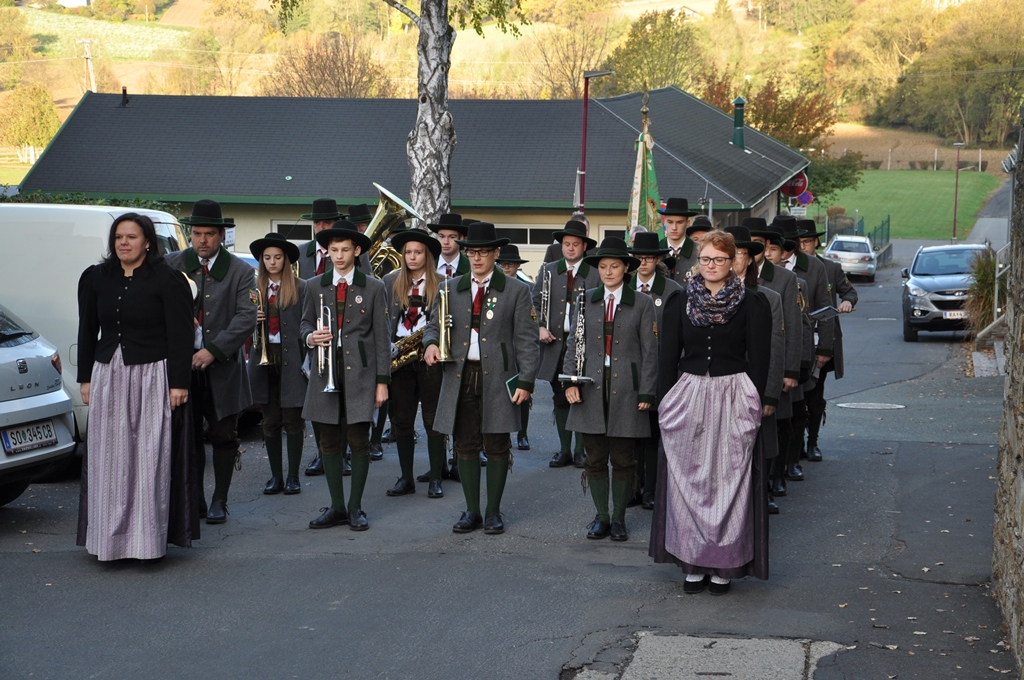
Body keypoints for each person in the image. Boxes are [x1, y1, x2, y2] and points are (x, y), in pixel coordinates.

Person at [650, 231, 772, 595]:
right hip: (689, 394)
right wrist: (665, 401)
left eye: (719, 259)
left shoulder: (752, 303)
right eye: (705, 259)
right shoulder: (679, 301)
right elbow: (667, 356)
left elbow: (760, 358)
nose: (712, 265)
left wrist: (754, 400)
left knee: (729, 480)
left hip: (733, 393)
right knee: (688, 478)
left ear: (733, 261)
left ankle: (723, 566)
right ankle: (693, 562)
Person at [76, 213, 195, 561]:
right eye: (118, 237)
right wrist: (86, 378)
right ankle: (108, 540)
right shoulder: (96, 278)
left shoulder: (168, 280)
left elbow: (181, 335)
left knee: (147, 457)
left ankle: (145, 542)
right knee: (108, 458)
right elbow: (87, 330)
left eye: (131, 237)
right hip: (108, 375)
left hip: (151, 375)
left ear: (147, 242)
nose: (124, 243)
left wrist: (179, 383)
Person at [424, 222, 538, 535]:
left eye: (483, 252)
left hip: (499, 376)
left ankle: (493, 512)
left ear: (496, 253)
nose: (476, 258)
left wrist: (526, 381)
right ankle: (471, 510)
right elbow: (433, 326)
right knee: (465, 444)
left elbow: (527, 340)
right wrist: (430, 343)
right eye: (472, 252)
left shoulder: (517, 291)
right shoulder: (449, 288)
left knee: (498, 443)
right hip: (460, 375)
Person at [167, 200, 257, 525]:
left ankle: (220, 499)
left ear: (221, 235)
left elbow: (247, 317)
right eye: (197, 233)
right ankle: (196, 499)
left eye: (209, 234)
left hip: (224, 368)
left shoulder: (241, 271)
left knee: (223, 434)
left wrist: (214, 350)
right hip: (183, 368)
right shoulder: (172, 264)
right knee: (188, 437)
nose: (202, 240)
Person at [563, 237, 658, 542]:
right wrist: (570, 381)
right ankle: (601, 516)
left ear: (626, 268)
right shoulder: (586, 300)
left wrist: (647, 391)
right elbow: (574, 343)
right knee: (594, 456)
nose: (607, 271)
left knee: (623, 457)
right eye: (603, 266)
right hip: (590, 387)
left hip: (627, 388)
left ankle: (619, 519)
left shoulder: (641, 303)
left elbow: (650, 351)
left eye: (614, 266)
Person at [301, 221, 391, 531]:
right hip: (324, 369)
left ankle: (355, 507)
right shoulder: (313, 285)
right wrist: (310, 337)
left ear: (357, 251)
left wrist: (382, 382)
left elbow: (382, 339)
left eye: (345, 250)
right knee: (328, 440)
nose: (339, 256)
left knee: (358, 439)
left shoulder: (374, 287)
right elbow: (304, 324)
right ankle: (337, 506)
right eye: (333, 250)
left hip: (361, 373)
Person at [382, 228, 447, 499]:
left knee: (433, 418)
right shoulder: (390, 280)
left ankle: (436, 477)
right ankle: (406, 478)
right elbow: (384, 318)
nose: (412, 256)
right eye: (408, 252)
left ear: (427, 255)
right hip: (399, 355)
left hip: (430, 356)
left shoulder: (443, 283)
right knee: (402, 419)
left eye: (418, 252)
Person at [725, 225, 785, 515]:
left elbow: (775, 348)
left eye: (739, 253)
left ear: (749, 259)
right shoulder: (703, 296)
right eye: (728, 253)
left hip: (753, 386)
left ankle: (761, 494)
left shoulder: (767, 298)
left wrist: (770, 394)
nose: (733, 259)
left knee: (757, 446)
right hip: (719, 388)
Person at [533, 220, 599, 468]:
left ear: (584, 246)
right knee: (560, 397)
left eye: (575, 244)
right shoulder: (549, 270)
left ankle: (581, 450)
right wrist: (540, 326)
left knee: (582, 395)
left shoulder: (594, 272)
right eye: (566, 244)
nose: (570, 248)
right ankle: (564, 449)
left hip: (585, 346)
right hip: (555, 344)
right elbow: (534, 303)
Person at [747, 218, 802, 504]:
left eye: (757, 244)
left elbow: (791, 326)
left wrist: (790, 370)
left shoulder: (784, 279)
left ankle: (773, 479)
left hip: (773, 364)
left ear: (766, 246)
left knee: (775, 423)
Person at [248, 233, 308, 496]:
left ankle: (293, 476)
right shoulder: (253, 289)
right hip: (264, 360)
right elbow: (240, 325)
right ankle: (276, 476)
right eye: (267, 257)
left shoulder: (301, 287)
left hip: (291, 360)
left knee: (293, 419)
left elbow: (307, 324)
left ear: (286, 260)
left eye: (277, 257)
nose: (272, 262)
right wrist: (251, 319)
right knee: (270, 420)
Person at [774, 216, 833, 482]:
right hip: (778, 345)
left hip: (806, 344)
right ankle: (782, 460)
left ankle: (797, 456)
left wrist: (824, 348)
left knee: (803, 403)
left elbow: (825, 309)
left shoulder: (814, 267)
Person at [628, 232, 682, 510]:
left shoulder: (672, 290)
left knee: (651, 433)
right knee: (629, 433)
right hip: (627, 370)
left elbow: (677, 335)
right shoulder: (625, 285)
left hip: (658, 369)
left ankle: (651, 488)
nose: (643, 263)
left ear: (658, 259)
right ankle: (631, 487)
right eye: (639, 258)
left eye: (649, 258)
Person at [796, 219, 857, 462]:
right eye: (798, 242)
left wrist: (847, 301)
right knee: (796, 396)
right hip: (797, 339)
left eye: (807, 242)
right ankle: (796, 443)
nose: (803, 246)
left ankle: (813, 441)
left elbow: (849, 291)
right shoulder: (788, 268)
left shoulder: (830, 268)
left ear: (816, 242)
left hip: (822, 337)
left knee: (815, 393)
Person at [297, 199, 344, 477]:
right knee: (317, 398)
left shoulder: (350, 252)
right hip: (312, 332)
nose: (321, 227)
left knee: (344, 397)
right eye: (318, 223)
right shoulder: (301, 253)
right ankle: (322, 452)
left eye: (327, 222)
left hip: (342, 334)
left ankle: (342, 453)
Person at [497, 244, 534, 451]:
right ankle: (502, 434)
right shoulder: (494, 285)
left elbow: (531, 319)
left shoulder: (526, 287)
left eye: (510, 264)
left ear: (518, 265)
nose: (506, 268)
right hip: (499, 344)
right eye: (503, 264)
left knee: (522, 389)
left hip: (518, 344)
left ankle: (522, 433)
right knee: (498, 392)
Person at [657, 198, 699, 283]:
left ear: (687, 223)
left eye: (679, 222)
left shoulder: (699, 251)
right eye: (670, 222)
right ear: (664, 222)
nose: (674, 227)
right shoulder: (656, 250)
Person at [428, 213, 470, 279]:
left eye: (452, 237)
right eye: (441, 236)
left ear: (461, 238)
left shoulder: (470, 267)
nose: (446, 242)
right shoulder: (427, 264)